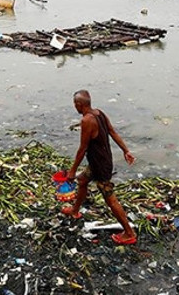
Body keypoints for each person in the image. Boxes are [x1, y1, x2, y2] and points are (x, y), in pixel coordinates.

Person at [61, 89, 137, 245]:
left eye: (75, 104)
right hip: (99, 161)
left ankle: (129, 233)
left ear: (79, 104)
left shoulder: (87, 121)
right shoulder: (99, 113)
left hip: (101, 166)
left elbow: (83, 148)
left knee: (110, 199)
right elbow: (113, 132)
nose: (75, 107)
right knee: (82, 181)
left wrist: (72, 170)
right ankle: (75, 211)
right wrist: (126, 150)